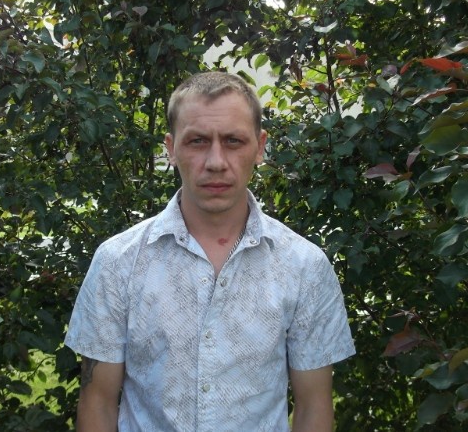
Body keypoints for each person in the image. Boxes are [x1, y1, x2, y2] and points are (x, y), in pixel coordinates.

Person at [65, 71, 355, 432]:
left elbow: (314, 406)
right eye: (198, 141)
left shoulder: (304, 266)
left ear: (260, 147)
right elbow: (98, 402)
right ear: (171, 149)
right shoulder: (118, 262)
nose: (216, 161)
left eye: (233, 141)